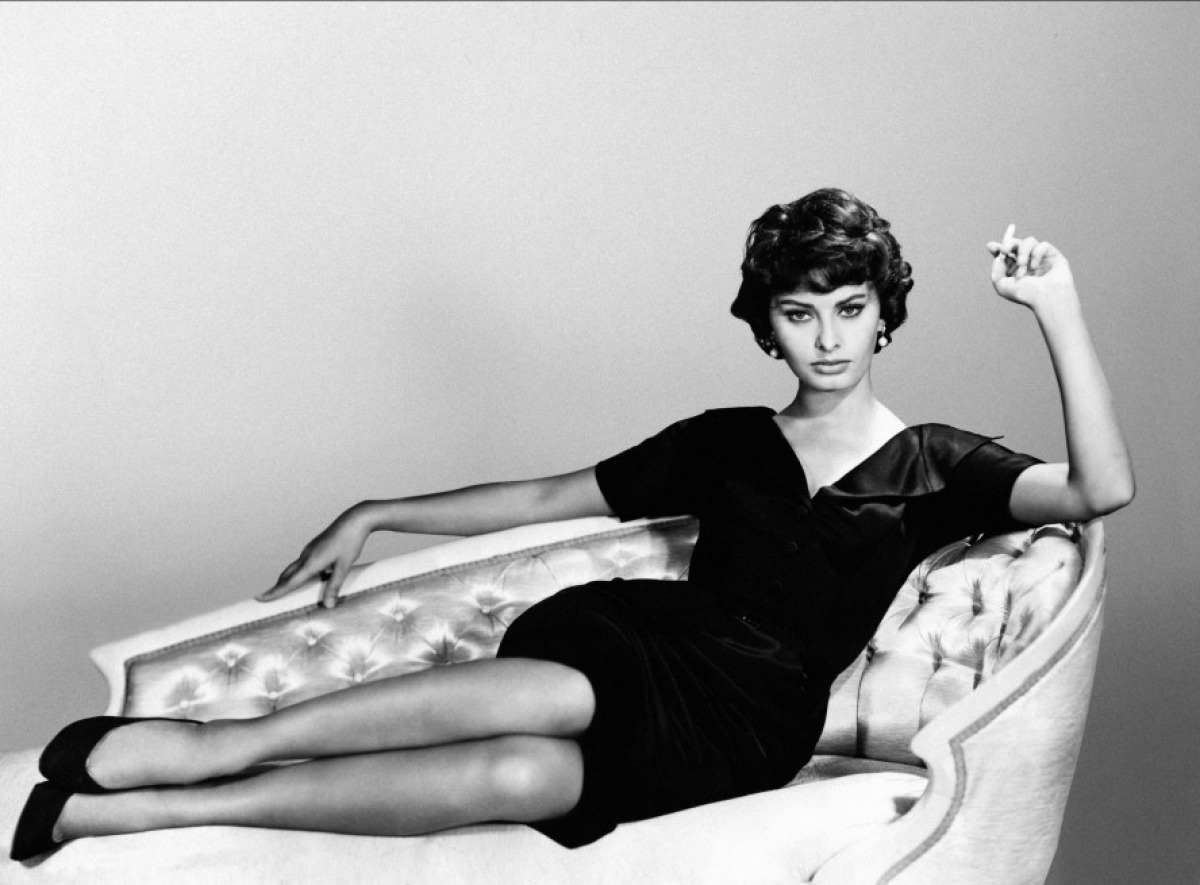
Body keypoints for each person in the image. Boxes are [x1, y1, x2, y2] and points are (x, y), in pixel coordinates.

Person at [12, 188, 1134, 860]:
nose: (829, 339)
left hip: (752, 723)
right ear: (769, 329)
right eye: (801, 314)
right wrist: (380, 513)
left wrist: (1056, 306)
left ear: (886, 317)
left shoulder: (940, 464)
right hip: (647, 646)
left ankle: (129, 816)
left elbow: (1101, 488)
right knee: (535, 704)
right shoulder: (726, 441)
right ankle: (203, 750)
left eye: (851, 310)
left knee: (517, 781)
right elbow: (554, 496)